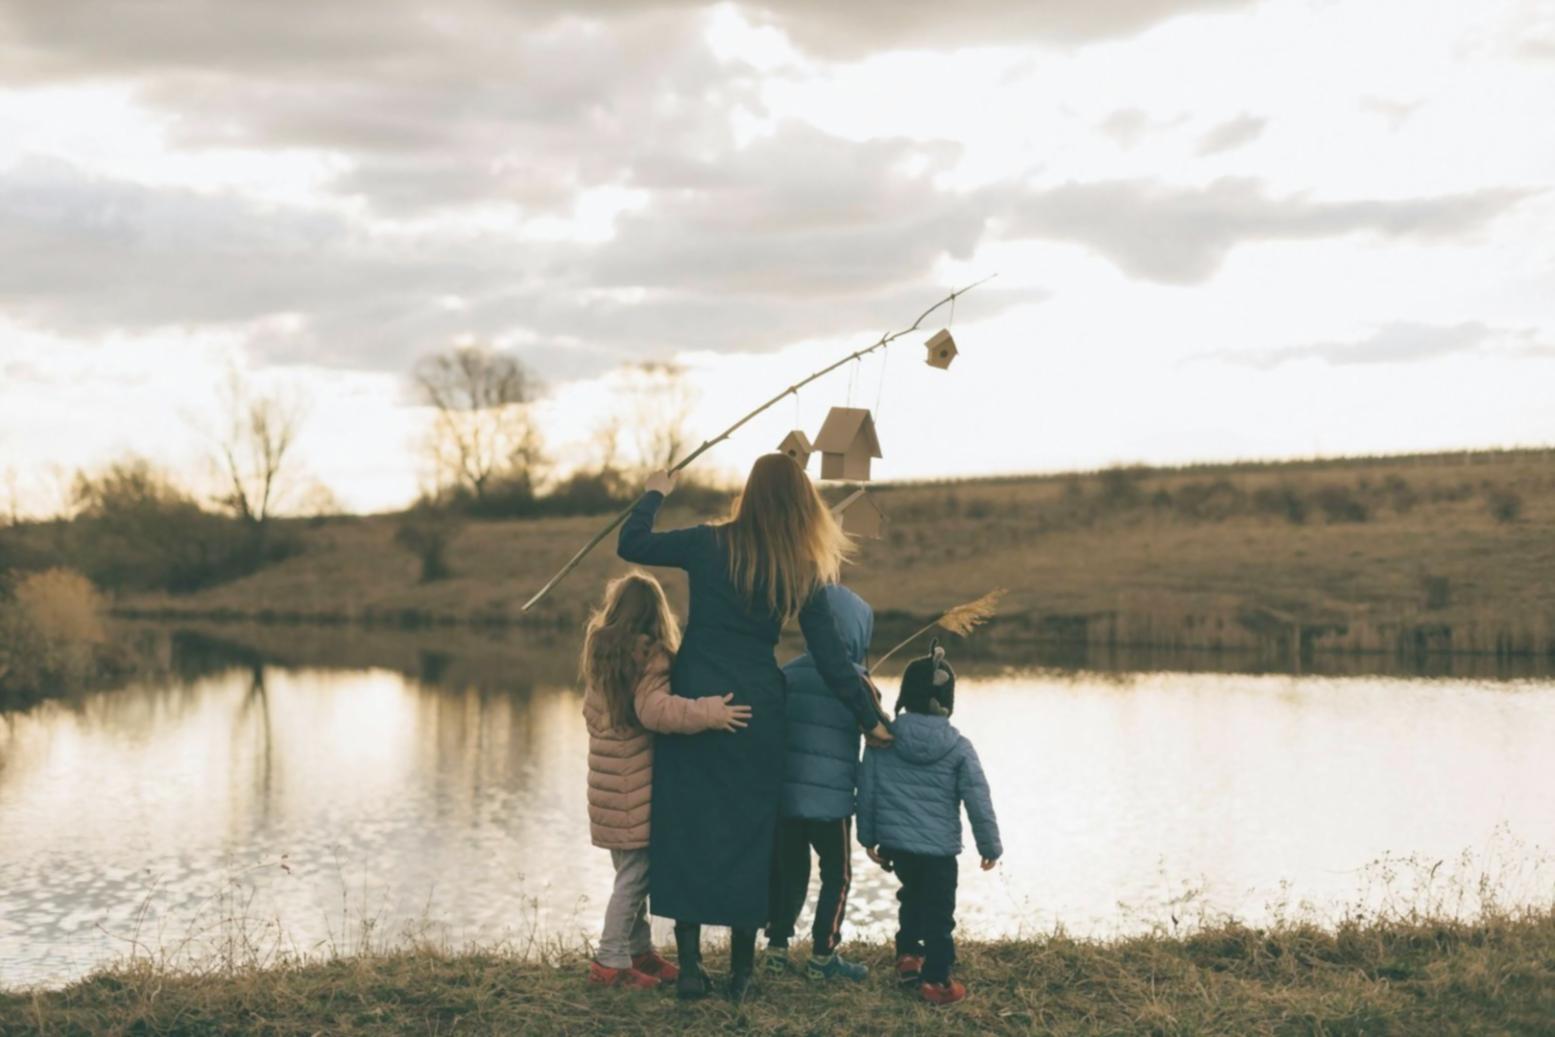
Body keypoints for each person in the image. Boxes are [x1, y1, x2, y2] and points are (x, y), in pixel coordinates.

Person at [617, 454, 892, 1002]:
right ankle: (742, 974)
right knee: (751, 835)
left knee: (690, 829)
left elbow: (633, 544)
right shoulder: (800, 566)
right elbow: (834, 659)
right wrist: (872, 719)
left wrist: (655, 491)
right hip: (758, 709)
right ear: (799, 503)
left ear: (748, 492)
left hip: (695, 696)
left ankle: (692, 970)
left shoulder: (706, 542)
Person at [581, 571, 753, 989]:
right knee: (636, 877)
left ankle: (637, 951)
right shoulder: (649, 656)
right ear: (656, 614)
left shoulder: (601, 653)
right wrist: (711, 712)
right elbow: (657, 712)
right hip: (633, 789)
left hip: (606, 787)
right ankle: (610, 960)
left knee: (629, 874)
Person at [858, 639, 1002, 1007]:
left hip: (897, 843)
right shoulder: (958, 746)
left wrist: (869, 838)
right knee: (939, 912)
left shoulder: (883, 739)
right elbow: (977, 799)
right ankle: (936, 980)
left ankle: (908, 956)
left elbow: (868, 789)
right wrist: (989, 846)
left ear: (906, 694)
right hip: (938, 849)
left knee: (912, 895)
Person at [763, 583, 878, 982]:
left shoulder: (787, 674)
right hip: (831, 806)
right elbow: (879, 733)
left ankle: (776, 948)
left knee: (788, 873)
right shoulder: (856, 684)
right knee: (837, 875)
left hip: (787, 798)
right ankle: (823, 956)